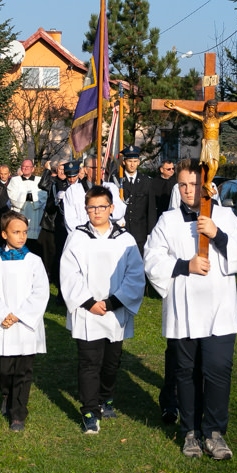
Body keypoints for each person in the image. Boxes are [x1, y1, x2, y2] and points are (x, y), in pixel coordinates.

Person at [143, 158, 237, 460]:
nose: (189, 190)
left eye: (194, 184)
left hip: (219, 309)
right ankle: (190, 431)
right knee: (186, 372)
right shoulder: (168, 222)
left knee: (218, 370)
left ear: (206, 186)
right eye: (183, 185)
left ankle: (215, 432)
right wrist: (184, 265)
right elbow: (151, 259)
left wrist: (217, 234)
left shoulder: (225, 216)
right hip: (184, 309)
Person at [60, 185, 145, 434]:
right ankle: (89, 410)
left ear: (111, 208)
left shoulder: (125, 240)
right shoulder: (77, 237)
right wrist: (88, 302)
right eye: (91, 207)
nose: (97, 211)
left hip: (114, 310)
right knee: (89, 361)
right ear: (86, 210)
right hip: (87, 310)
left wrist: (112, 303)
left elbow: (135, 275)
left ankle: (105, 398)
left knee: (111, 362)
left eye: (101, 206)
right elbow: (69, 272)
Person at [0, 211, 50, 432]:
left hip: (25, 325)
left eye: (24, 232)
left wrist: (20, 314)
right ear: (3, 234)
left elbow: (41, 292)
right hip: (4, 326)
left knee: (23, 371)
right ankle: (6, 395)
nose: (21, 236)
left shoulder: (34, 261)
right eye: (16, 232)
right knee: (5, 371)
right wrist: (2, 315)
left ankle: (18, 414)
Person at [163, 99, 237, 193]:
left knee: (215, 166)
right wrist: (175, 107)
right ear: (207, 109)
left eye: (213, 108)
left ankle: (208, 183)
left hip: (215, 144)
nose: (211, 110)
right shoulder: (204, 119)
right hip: (208, 144)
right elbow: (189, 113)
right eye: (210, 108)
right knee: (211, 166)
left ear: (215, 109)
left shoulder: (218, 120)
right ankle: (207, 184)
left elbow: (232, 115)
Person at [62, 157, 125, 232]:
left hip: (106, 235)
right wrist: (88, 234)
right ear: (85, 170)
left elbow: (119, 212)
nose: (98, 171)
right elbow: (70, 220)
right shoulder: (72, 191)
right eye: (94, 168)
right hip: (83, 237)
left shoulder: (111, 188)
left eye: (100, 168)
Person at [117, 145, 156, 253]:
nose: (132, 164)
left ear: (139, 162)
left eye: (135, 161)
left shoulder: (146, 182)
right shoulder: (116, 181)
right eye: (129, 161)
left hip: (140, 233)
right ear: (124, 162)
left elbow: (151, 210)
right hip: (121, 231)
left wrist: (150, 233)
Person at [7, 159, 46, 255]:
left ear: (32, 168)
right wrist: (26, 196)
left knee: (34, 241)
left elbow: (44, 194)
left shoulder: (39, 180)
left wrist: (32, 196)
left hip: (35, 213)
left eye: (28, 166)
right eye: (23, 166)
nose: (25, 168)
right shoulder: (14, 180)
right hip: (20, 211)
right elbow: (11, 194)